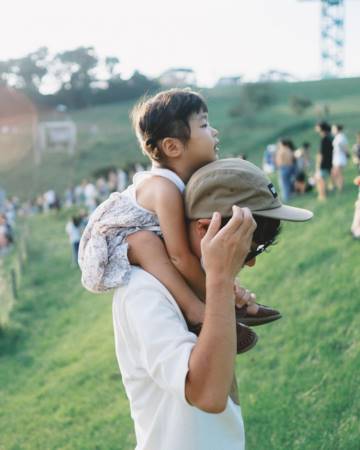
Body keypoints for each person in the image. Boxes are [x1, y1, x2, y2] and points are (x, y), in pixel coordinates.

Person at [112, 158, 313, 450]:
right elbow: (207, 394)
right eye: (250, 248)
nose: (252, 262)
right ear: (208, 229)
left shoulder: (195, 279)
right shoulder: (143, 292)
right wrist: (219, 278)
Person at [79, 89, 281, 354]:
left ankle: (234, 299)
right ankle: (198, 312)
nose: (215, 132)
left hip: (138, 236)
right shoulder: (165, 189)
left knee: (173, 248)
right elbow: (179, 257)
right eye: (205, 125)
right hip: (108, 243)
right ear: (173, 146)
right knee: (147, 244)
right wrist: (215, 295)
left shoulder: (182, 182)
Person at [315, 121, 333, 201]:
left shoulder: (324, 139)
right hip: (329, 161)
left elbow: (321, 154)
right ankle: (324, 194)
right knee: (324, 179)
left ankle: (322, 195)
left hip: (323, 163)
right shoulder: (330, 137)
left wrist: (318, 165)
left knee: (319, 179)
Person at [331, 124, 349, 192]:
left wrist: (347, 154)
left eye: (333, 129)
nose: (332, 130)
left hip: (340, 157)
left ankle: (340, 188)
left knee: (339, 173)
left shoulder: (341, 137)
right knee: (334, 172)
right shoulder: (337, 137)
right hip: (336, 157)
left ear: (337, 129)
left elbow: (344, 147)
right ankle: (337, 186)